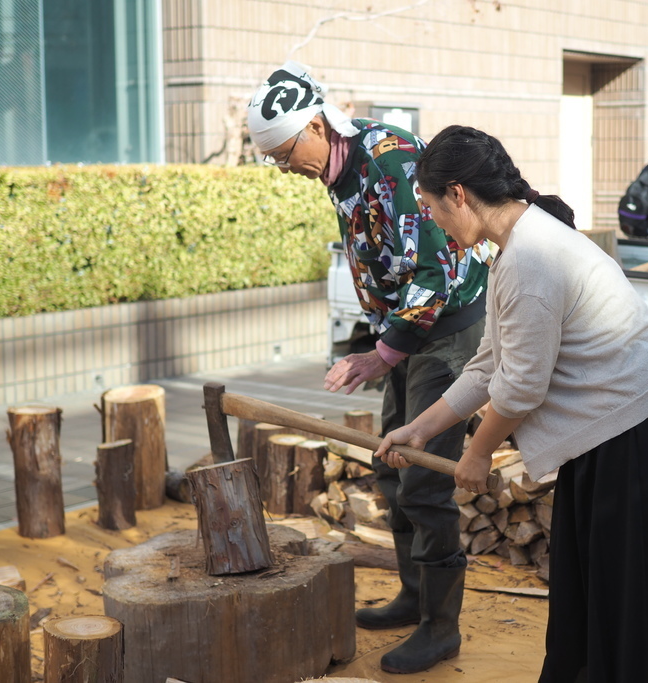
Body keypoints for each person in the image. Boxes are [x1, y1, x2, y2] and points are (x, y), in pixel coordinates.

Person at [374, 125, 648, 682]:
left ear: (459, 194)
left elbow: (519, 388)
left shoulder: (529, 259)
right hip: (616, 431)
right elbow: (489, 365)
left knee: (625, 594)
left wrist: (477, 454)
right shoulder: (515, 246)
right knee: (595, 590)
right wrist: (419, 429)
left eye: (432, 208)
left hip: (642, 433)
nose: (435, 225)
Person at [246, 62, 492, 674]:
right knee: (392, 461)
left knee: (426, 480)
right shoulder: (338, 165)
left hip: (446, 328)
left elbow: (433, 269)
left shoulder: (392, 161)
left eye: (284, 153)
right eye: (272, 159)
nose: (285, 167)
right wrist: (382, 343)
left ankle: (442, 626)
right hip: (402, 333)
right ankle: (414, 595)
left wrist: (379, 354)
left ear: (315, 127)